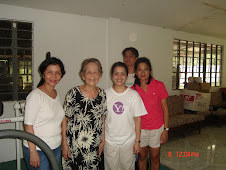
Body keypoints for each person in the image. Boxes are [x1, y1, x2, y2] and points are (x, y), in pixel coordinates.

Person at [62, 58, 107, 170]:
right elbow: (64, 119)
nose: (92, 75)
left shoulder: (102, 94)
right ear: (83, 75)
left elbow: (103, 118)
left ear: (100, 75)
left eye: (95, 72)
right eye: (88, 72)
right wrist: (64, 143)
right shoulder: (73, 93)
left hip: (94, 144)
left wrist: (103, 140)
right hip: (74, 145)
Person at [23, 57, 66, 170]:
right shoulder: (36, 95)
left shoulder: (56, 93)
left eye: (57, 73)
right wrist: (32, 152)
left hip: (55, 146)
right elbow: (28, 125)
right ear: (43, 74)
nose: (54, 76)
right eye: (50, 72)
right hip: (38, 149)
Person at [104, 62, 147, 170]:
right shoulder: (104, 94)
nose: (119, 77)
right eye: (116, 73)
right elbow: (102, 119)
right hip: (110, 141)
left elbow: (138, 119)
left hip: (128, 141)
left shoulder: (133, 95)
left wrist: (137, 141)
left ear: (127, 76)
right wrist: (102, 140)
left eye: (122, 74)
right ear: (111, 76)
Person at [131, 57, 169, 170]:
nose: (143, 72)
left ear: (150, 70)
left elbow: (165, 110)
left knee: (155, 157)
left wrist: (166, 130)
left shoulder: (159, 85)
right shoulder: (132, 90)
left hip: (157, 128)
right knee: (142, 157)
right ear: (136, 72)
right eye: (139, 69)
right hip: (140, 130)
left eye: (145, 69)